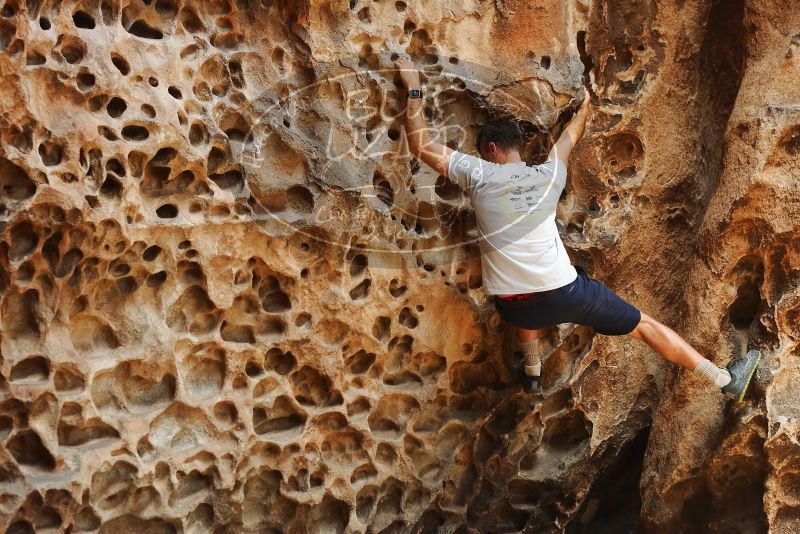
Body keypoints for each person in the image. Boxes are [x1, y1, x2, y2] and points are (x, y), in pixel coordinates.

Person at [392, 56, 760, 399]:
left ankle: (533, 372)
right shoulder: (550, 174)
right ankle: (725, 379)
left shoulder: (478, 174)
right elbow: (571, 136)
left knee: (523, 297)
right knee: (644, 325)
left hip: (514, 309)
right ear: (516, 146)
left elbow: (419, 143)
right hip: (564, 295)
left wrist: (412, 84)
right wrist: (585, 104)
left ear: (489, 149)